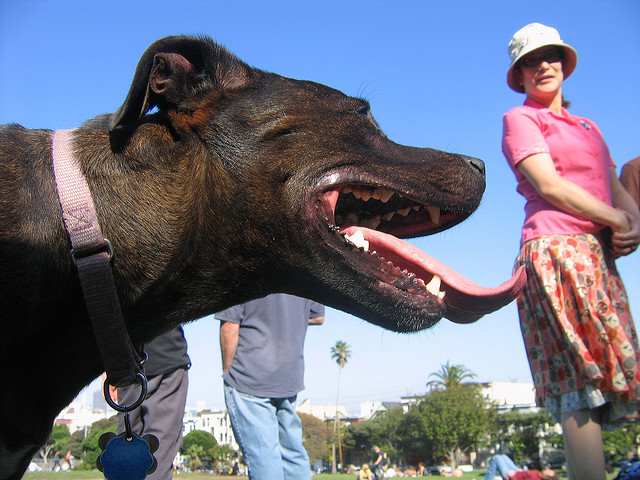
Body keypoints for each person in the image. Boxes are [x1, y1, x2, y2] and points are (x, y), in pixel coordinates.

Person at [502, 22, 640, 480]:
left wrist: (632, 223)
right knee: (578, 382)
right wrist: (616, 218)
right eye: (530, 61)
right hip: (555, 252)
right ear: (519, 74)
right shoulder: (521, 119)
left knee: (603, 375)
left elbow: (615, 186)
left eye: (551, 56)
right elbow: (549, 185)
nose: (543, 65)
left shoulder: (588, 126)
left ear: (564, 64)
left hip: (596, 256)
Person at [215, 294, 324, 480]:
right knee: (293, 453)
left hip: (249, 377)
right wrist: (287, 320)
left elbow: (229, 325)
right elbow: (318, 316)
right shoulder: (304, 278)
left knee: (263, 456)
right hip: (289, 378)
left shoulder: (241, 275)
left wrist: (228, 368)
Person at [115, 326, 191, 480]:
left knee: (127, 446)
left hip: (128, 358)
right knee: (159, 448)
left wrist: (108, 365)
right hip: (166, 357)